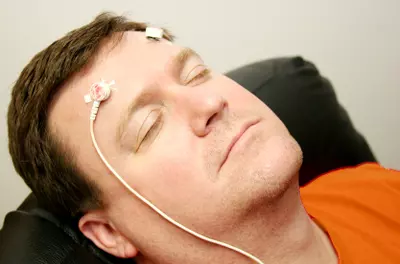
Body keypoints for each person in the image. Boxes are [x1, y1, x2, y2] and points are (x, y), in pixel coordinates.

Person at [7, 12, 400, 264]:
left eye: (196, 74)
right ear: (111, 233)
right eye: (150, 126)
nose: (211, 101)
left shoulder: (372, 187)